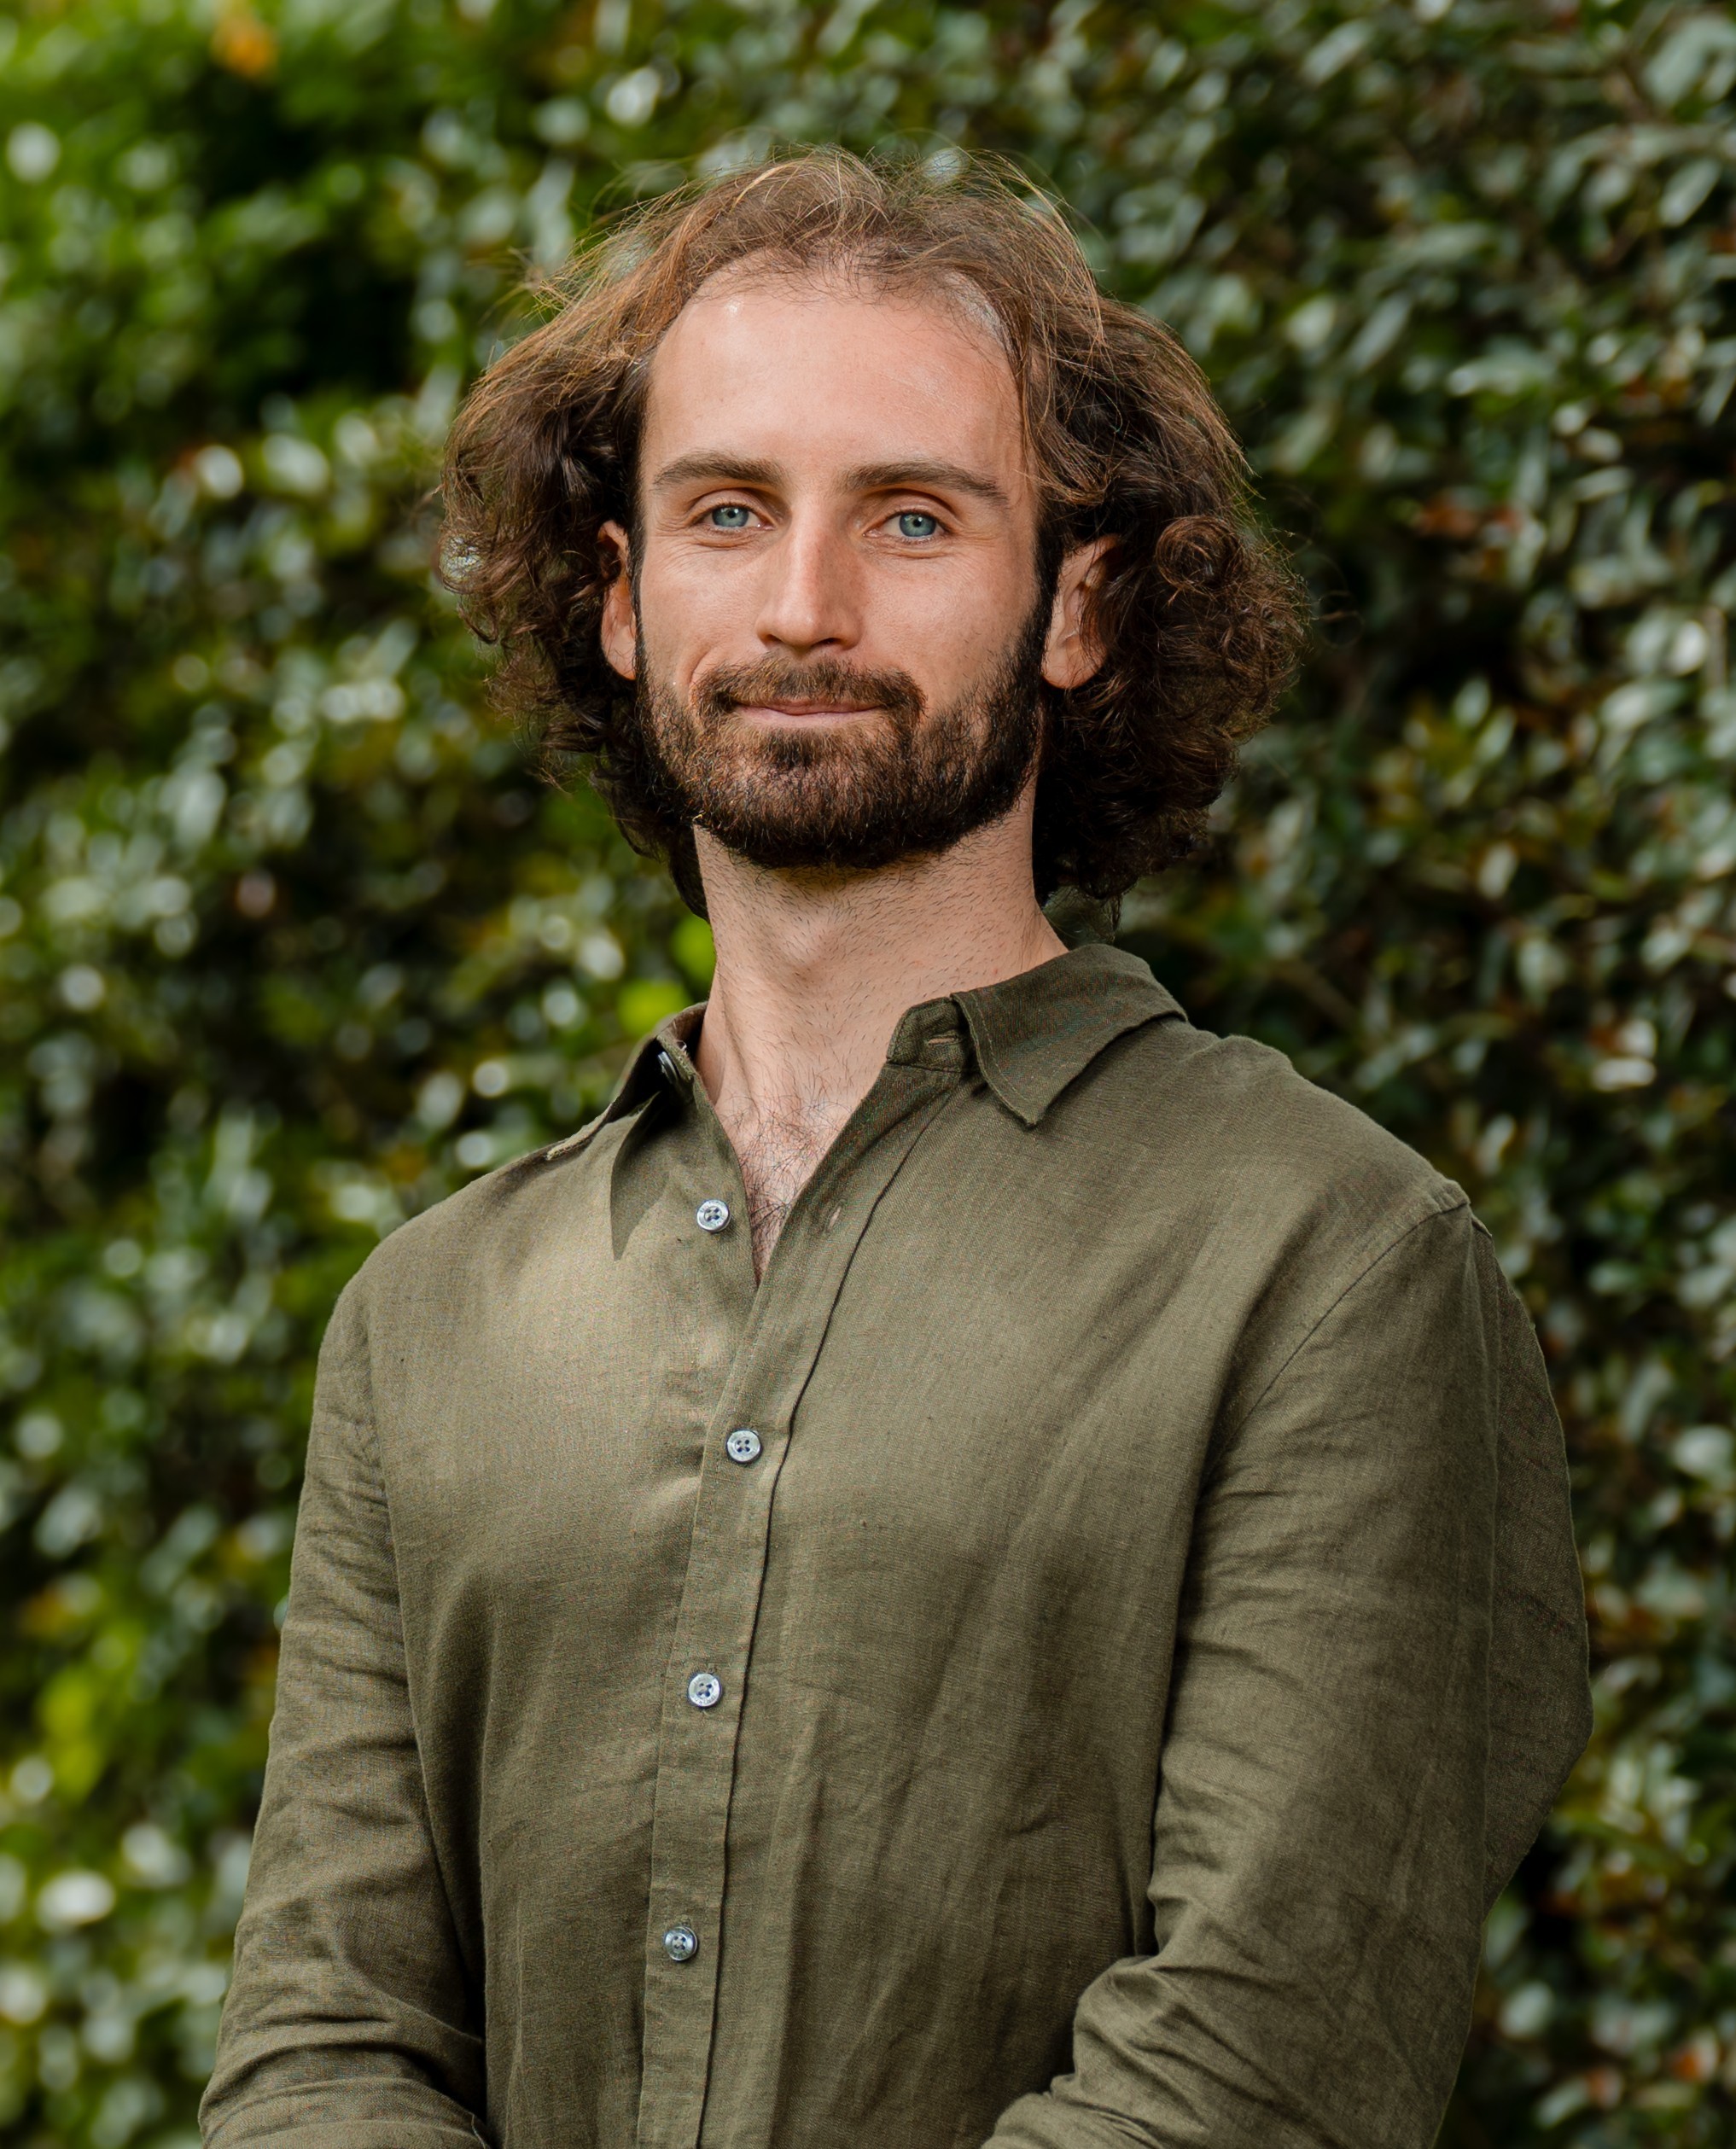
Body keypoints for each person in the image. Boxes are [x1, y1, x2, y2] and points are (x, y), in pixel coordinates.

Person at [201, 150, 1590, 2149]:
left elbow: (1252, 2072)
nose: (803, 605)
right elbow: (324, 2047)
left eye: (913, 518)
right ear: (619, 599)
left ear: (1080, 604)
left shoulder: (1334, 1262)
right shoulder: (426, 1318)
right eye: (729, 510)